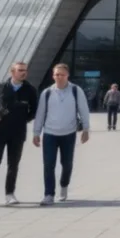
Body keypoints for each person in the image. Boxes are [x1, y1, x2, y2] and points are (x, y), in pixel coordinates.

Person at [32, 64, 91, 206]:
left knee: (67, 164)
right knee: (48, 164)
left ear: (67, 75)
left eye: (62, 74)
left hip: (68, 134)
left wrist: (86, 129)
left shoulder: (76, 91)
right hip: (50, 134)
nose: (59, 77)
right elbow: (40, 114)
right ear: (53, 76)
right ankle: (49, 194)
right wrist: (36, 133)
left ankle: (64, 185)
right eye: (56, 74)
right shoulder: (47, 93)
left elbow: (84, 110)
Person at [0, 62, 39, 206]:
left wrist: (24, 119)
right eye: (20, 70)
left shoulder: (30, 90)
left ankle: (10, 194)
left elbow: (34, 109)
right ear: (12, 72)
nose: (24, 73)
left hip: (18, 132)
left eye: (25, 70)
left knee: (13, 164)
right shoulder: (0, 88)